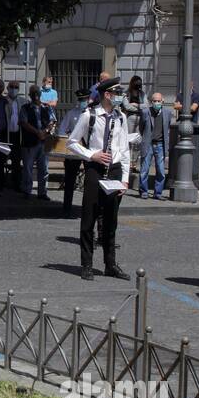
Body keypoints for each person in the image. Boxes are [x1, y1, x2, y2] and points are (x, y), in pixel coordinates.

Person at [68, 77, 130, 281]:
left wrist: (125, 178)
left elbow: (125, 149)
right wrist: (91, 155)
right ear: (107, 94)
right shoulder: (89, 115)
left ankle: (110, 264)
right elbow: (72, 142)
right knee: (89, 217)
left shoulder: (121, 117)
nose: (121, 96)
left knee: (111, 219)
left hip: (114, 170)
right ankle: (86, 264)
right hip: (95, 168)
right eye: (117, 92)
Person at [58, 87, 90, 218]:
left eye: (85, 99)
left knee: (90, 180)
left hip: (89, 150)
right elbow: (61, 130)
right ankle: (67, 208)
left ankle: (88, 209)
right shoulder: (72, 113)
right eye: (81, 99)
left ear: (89, 99)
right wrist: (69, 135)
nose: (83, 102)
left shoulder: (93, 113)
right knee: (70, 179)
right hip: (74, 150)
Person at [19, 84, 54, 200]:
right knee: (28, 168)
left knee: (44, 168)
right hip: (29, 142)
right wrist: (37, 132)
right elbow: (24, 123)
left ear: (40, 94)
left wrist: (45, 131)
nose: (35, 96)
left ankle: (42, 192)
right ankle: (27, 190)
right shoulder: (25, 108)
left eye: (37, 93)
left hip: (44, 142)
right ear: (30, 95)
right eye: (33, 93)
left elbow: (52, 121)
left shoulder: (47, 107)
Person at [138, 91, 172, 199]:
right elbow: (141, 127)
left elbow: (167, 127)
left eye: (158, 101)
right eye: (154, 101)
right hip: (148, 144)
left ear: (162, 101)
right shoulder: (145, 112)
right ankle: (144, 191)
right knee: (144, 170)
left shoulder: (167, 113)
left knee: (161, 171)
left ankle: (158, 193)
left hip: (160, 145)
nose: (156, 103)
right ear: (151, 102)